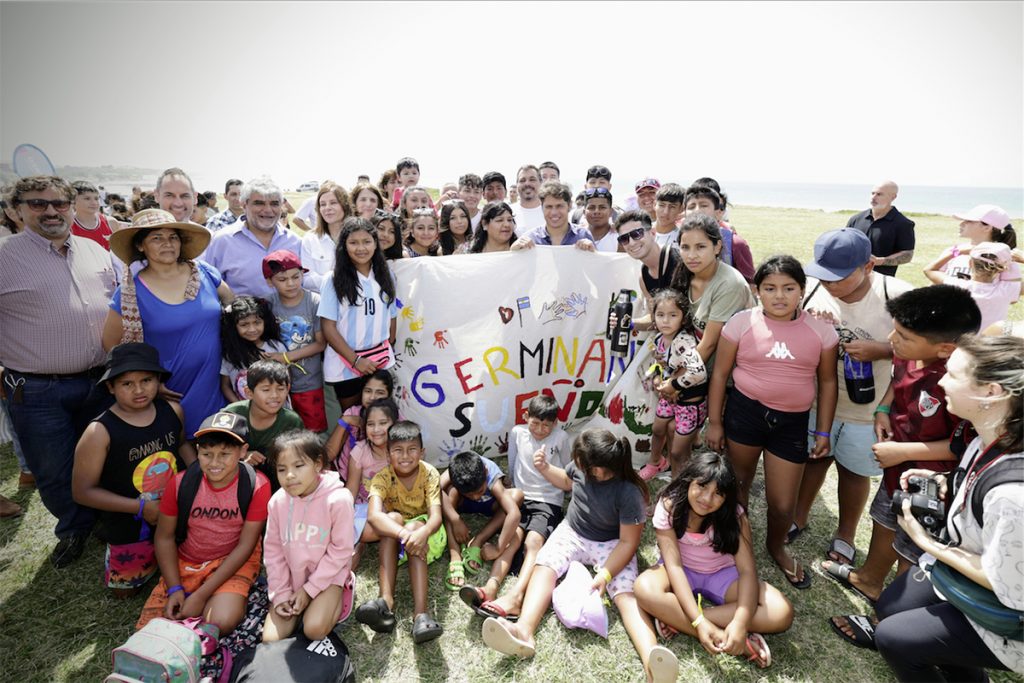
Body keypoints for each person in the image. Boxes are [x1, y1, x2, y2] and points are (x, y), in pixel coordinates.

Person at [833, 335, 1024, 680]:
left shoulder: (1013, 495)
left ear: (991, 392)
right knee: (891, 607)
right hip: (966, 568)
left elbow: (1004, 583)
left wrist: (927, 543)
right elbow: (978, 476)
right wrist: (948, 480)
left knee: (894, 638)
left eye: (952, 375)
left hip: (1007, 615)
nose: (941, 381)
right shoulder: (989, 436)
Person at [821, 285, 981, 603]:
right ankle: (868, 578)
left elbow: (963, 447)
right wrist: (883, 410)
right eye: (895, 332)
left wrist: (903, 452)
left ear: (946, 349)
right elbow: (897, 382)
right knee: (884, 519)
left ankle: (893, 608)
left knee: (913, 544)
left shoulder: (958, 383)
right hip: (897, 465)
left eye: (903, 337)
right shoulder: (911, 355)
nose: (892, 342)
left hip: (932, 480)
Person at [481, 430, 668, 683]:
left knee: (625, 595)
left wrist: (605, 573)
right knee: (544, 566)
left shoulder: (628, 492)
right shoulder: (583, 465)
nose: (576, 465)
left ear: (599, 469)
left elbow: (628, 542)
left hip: (613, 543)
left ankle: (653, 662)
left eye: (581, 463)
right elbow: (567, 481)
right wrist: (546, 468)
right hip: (573, 531)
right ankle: (524, 630)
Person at [0, 175, 116, 567]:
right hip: (35, 389)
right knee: (52, 466)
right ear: (16, 211)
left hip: (99, 380)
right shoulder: (4, 257)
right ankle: (73, 528)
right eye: (37, 204)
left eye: (59, 203)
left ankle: (104, 520)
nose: (50, 211)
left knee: (102, 458)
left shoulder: (95, 251)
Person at [707, 256, 839, 589]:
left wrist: (822, 430)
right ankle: (739, 545)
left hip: (791, 423)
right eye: (769, 288)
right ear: (757, 291)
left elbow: (827, 382)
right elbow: (720, 373)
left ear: (802, 290)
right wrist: (715, 423)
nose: (779, 296)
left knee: (782, 503)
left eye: (788, 288)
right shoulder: (740, 323)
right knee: (738, 487)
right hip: (745, 413)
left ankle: (775, 546)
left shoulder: (822, 333)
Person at [792, 228, 913, 567]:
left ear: (870, 266)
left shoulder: (898, 296)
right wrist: (809, 324)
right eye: (823, 275)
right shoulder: (812, 289)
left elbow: (923, 353)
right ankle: (799, 517)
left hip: (868, 410)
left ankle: (845, 533)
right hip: (818, 401)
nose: (830, 284)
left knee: (854, 472)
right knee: (814, 460)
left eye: (839, 277)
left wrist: (883, 350)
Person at [634, 452, 794, 670]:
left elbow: (747, 571)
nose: (707, 499)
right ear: (688, 480)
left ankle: (677, 620)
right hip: (681, 571)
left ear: (727, 497)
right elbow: (675, 566)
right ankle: (720, 637)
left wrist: (740, 622)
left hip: (723, 575)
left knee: (781, 611)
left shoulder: (735, 516)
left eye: (718, 493)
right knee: (643, 588)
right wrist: (700, 625)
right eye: (702, 486)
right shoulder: (669, 506)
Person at [71, 343, 191, 597]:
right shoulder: (98, 432)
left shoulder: (173, 410)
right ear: (110, 387)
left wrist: (199, 478)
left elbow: (181, 446)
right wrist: (140, 508)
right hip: (129, 521)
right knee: (125, 592)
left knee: (192, 566)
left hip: (177, 511)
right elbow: (82, 492)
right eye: (127, 384)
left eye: (146, 380)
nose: (139, 390)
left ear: (158, 380)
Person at [136, 411, 271, 633]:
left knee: (221, 622)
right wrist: (174, 588)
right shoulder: (180, 483)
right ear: (197, 451)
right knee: (154, 629)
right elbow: (164, 537)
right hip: (188, 558)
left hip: (232, 557)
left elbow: (246, 545)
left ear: (243, 451)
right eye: (207, 454)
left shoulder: (257, 485)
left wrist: (200, 595)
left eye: (225, 454)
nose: (215, 463)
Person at [103, 208, 232, 438]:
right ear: (141, 246)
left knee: (218, 447)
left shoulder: (204, 273)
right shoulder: (130, 292)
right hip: (171, 390)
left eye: (173, 237)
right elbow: (111, 344)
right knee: (180, 449)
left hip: (216, 383)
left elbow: (232, 305)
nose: (168, 243)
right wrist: (150, 385)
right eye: (157, 238)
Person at [473, 395, 571, 619]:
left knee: (533, 542)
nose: (540, 429)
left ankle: (517, 596)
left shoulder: (562, 437)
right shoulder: (517, 433)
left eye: (546, 425)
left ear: (555, 423)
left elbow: (567, 471)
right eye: (535, 423)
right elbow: (513, 461)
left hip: (549, 500)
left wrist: (571, 492)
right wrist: (510, 484)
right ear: (526, 417)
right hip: (522, 498)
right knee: (512, 539)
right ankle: (490, 588)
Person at [356, 421, 445, 644]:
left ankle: (421, 614)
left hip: (429, 536)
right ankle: (386, 602)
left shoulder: (430, 474)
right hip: (403, 538)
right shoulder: (382, 478)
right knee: (390, 521)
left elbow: (436, 518)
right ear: (388, 454)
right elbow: (374, 516)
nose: (405, 456)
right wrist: (405, 535)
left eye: (412, 449)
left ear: (422, 452)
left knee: (414, 527)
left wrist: (418, 534)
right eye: (398, 450)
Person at [262, 429, 355, 642]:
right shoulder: (277, 502)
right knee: (270, 640)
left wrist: (309, 590)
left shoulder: (339, 499)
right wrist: (280, 595)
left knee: (313, 630)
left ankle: (342, 589)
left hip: (328, 576)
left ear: (318, 464)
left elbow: (341, 551)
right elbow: (273, 553)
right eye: (282, 469)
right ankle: (299, 603)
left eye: (298, 466)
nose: (290, 476)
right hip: (292, 578)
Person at [318, 218, 398, 410]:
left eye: (367, 241)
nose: (361, 248)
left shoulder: (386, 274)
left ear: (375, 243)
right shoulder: (333, 279)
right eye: (353, 242)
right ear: (344, 246)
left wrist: (388, 347)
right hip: (345, 365)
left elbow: (392, 316)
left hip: (380, 361)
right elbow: (328, 327)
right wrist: (356, 361)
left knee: (380, 415)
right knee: (353, 418)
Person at [669, 213, 754, 394]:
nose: (691, 255)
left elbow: (709, 344)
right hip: (698, 369)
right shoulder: (686, 273)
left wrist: (676, 382)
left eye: (700, 247)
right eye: (685, 247)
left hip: (729, 380)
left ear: (717, 247)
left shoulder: (729, 284)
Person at [643, 289, 707, 480]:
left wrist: (674, 385)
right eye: (660, 315)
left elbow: (699, 373)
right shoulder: (658, 339)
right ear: (653, 317)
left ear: (683, 318)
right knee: (657, 429)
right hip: (669, 397)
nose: (665, 321)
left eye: (673, 315)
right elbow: (659, 363)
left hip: (689, 402)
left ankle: (679, 482)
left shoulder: (684, 343)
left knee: (680, 450)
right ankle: (656, 462)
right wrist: (657, 377)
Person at [262, 251, 327, 433]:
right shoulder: (266, 305)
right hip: (277, 385)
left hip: (310, 382)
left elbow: (321, 343)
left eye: (295, 277)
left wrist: (285, 357)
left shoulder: (314, 302)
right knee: (284, 433)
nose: (290, 284)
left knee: (313, 432)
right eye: (282, 279)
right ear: (269, 281)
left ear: (302, 274)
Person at [204, 177, 301, 298]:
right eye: (259, 203)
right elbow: (208, 287)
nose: (267, 210)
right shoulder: (222, 241)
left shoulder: (294, 241)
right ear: (244, 205)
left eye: (274, 204)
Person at [441, 450, 522, 592]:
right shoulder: (453, 470)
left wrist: (498, 548)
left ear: (485, 473)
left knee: (517, 496)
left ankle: (478, 540)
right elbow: (433, 489)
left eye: (479, 490)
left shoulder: (490, 472)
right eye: (470, 494)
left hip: (490, 505)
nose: (475, 497)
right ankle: (455, 554)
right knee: (449, 493)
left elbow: (514, 514)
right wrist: (455, 519)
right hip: (462, 505)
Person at [344, 398, 399, 563]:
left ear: (394, 424)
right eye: (370, 424)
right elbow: (351, 489)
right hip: (364, 509)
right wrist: (342, 516)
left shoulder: (401, 451)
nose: (376, 430)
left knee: (394, 519)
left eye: (383, 423)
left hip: (395, 509)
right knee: (347, 526)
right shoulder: (359, 452)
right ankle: (359, 540)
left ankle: (361, 538)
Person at [924, 241, 1022, 331]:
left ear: (970, 263)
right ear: (1002, 270)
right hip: (991, 345)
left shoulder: (957, 286)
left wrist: (956, 252)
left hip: (962, 344)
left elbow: (929, 270)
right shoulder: (1008, 290)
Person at [326, 370, 394, 478]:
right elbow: (328, 455)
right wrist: (344, 421)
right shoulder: (352, 414)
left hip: (384, 479)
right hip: (348, 477)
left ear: (389, 396)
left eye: (380, 393)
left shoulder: (395, 418)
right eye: (368, 391)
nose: (372, 397)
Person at [219, 296, 287, 403]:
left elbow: (287, 381)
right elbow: (225, 386)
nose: (252, 329)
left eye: (257, 322)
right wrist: (240, 407)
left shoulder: (276, 347)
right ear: (233, 327)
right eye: (244, 324)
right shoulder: (230, 356)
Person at [684, 184, 755, 283]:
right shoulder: (678, 242)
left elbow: (750, 286)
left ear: (718, 213)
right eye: (691, 206)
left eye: (704, 205)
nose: (697, 210)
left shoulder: (735, 243)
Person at [845, 181, 915, 277]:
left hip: (880, 281)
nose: (873, 197)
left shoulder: (903, 224)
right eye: (872, 193)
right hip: (851, 277)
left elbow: (907, 255)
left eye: (879, 194)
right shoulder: (856, 219)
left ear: (893, 197)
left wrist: (880, 261)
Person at [938, 204, 1019, 280]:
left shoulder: (1003, 257)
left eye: (969, 220)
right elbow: (935, 285)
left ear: (987, 227)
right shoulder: (953, 251)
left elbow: (1011, 290)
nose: (961, 224)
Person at [513, 181, 595, 249]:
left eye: (559, 206)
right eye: (549, 207)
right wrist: (513, 251)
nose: (554, 212)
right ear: (542, 207)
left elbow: (596, 266)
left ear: (569, 206)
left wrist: (593, 252)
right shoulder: (531, 238)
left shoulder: (583, 235)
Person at [301, 182, 351, 292]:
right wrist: (336, 281)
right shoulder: (310, 239)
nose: (327, 208)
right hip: (322, 303)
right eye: (322, 204)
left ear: (345, 205)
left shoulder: (356, 236)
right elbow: (306, 279)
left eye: (333, 203)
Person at [71, 180, 117, 249]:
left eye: (96, 198)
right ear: (73, 201)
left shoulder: (111, 223)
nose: (94, 202)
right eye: (87, 198)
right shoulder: (68, 227)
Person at [580, 187, 618, 252]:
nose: (596, 211)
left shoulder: (620, 238)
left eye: (602, 207)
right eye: (591, 208)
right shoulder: (576, 236)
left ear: (611, 212)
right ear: (584, 212)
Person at [511, 165, 544, 236]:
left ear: (541, 183)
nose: (527, 183)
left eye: (532, 180)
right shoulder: (508, 212)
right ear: (517, 185)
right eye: (522, 180)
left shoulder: (551, 212)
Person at [652, 183, 686, 248]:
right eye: (662, 205)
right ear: (654, 205)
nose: (666, 212)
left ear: (681, 209)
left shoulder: (683, 239)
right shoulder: (642, 231)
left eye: (672, 207)